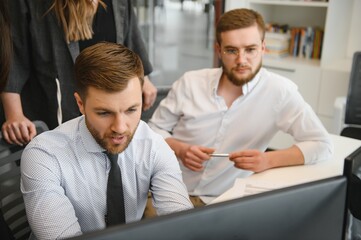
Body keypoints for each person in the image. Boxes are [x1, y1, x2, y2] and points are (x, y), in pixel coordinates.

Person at [148, 8, 333, 206]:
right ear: (218, 50)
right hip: (167, 190)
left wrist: (267, 160)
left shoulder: (280, 91)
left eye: (250, 50)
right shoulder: (190, 82)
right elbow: (152, 130)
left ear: (263, 48)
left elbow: (321, 144)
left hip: (222, 201)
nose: (241, 60)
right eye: (231, 50)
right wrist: (180, 149)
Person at [20, 42, 192, 239]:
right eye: (104, 113)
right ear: (80, 104)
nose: (120, 127)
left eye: (131, 110)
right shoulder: (44, 155)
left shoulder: (153, 145)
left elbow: (183, 226)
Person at [1, 0, 157, 146]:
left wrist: (142, 78)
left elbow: (129, 36)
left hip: (107, 112)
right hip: (52, 109)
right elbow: (14, 53)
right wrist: (14, 114)